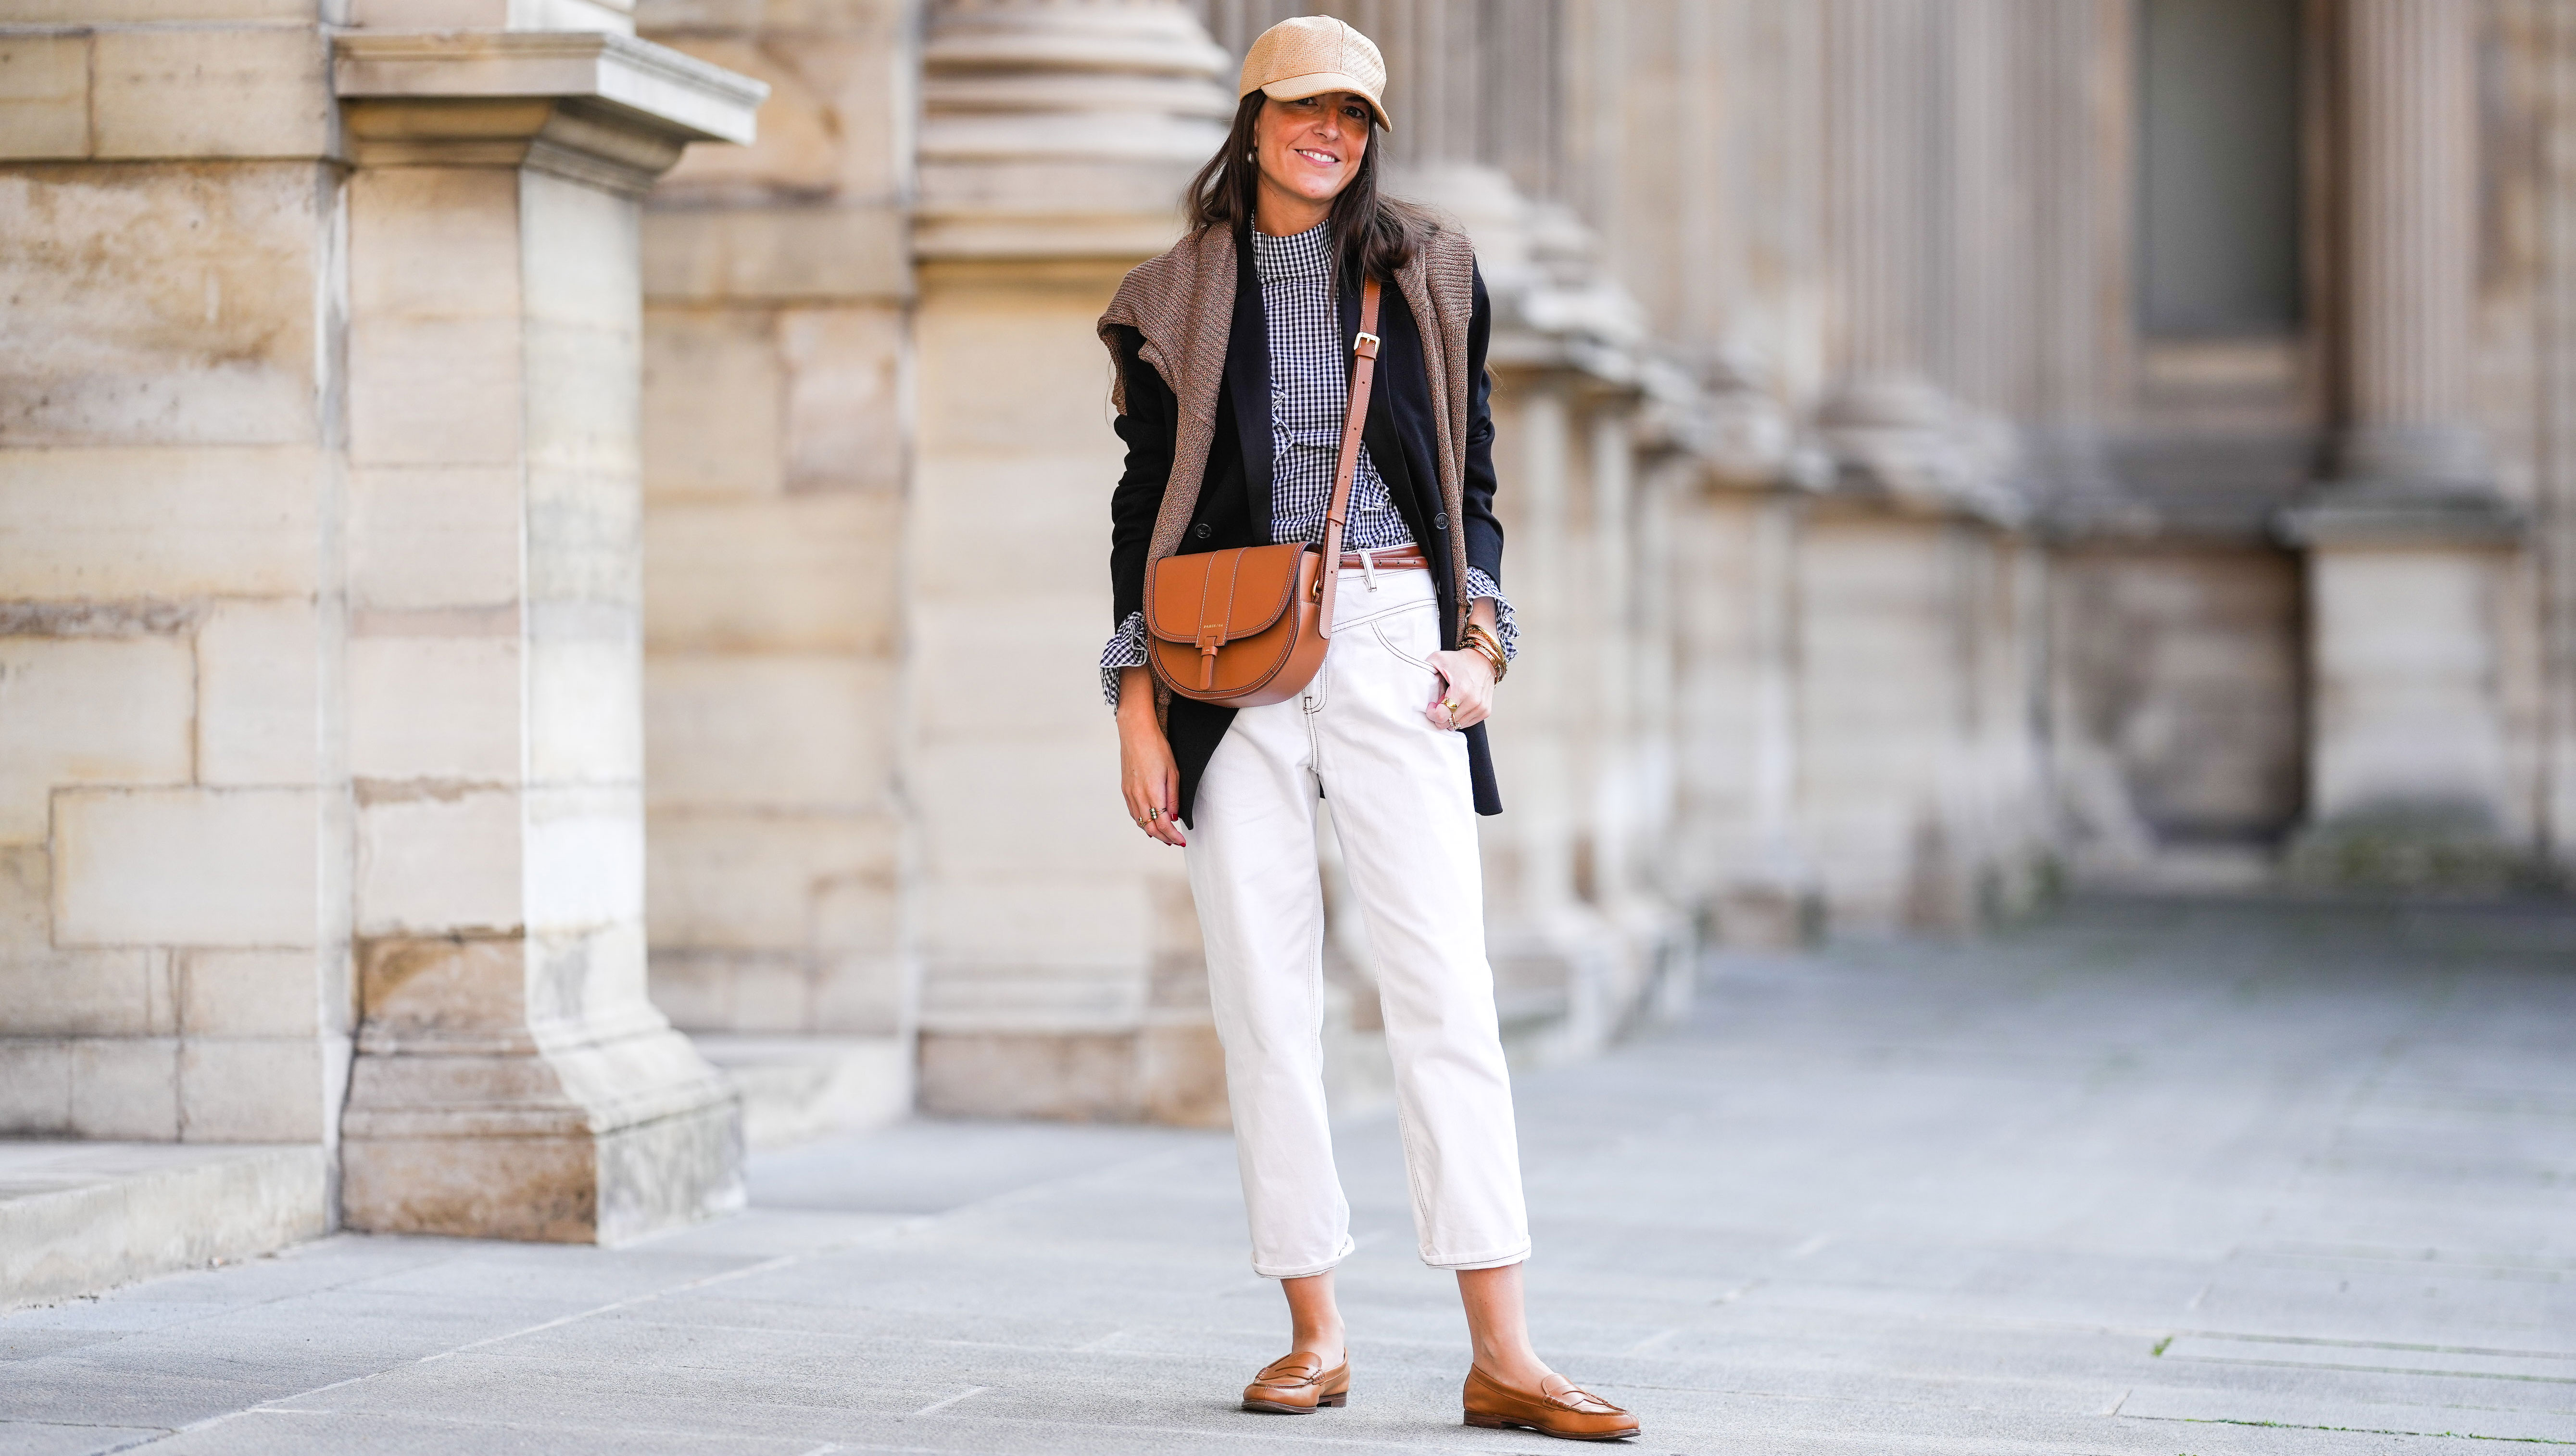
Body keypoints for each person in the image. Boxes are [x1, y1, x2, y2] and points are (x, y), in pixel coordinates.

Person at [1093, 15, 1638, 1444]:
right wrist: (1137, 705)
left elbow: (1473, 479)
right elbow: (1142, 517)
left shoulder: (1431, 270)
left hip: (1396, 632)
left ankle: (1505, 1352)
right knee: (1264, 1001)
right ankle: (1315, 1332)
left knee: (1445, 987)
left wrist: (1483, 641)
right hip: (1226, 657)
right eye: (1304, 109)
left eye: (1352, 115)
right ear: (1253, 118)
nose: (1328, 133)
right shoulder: (1172, 295)